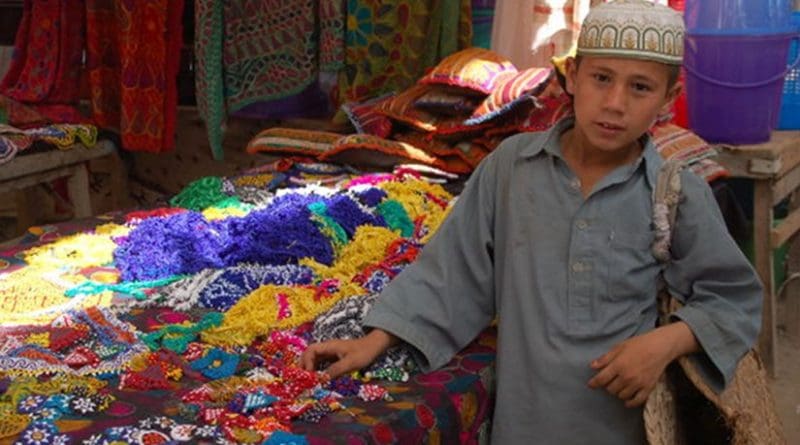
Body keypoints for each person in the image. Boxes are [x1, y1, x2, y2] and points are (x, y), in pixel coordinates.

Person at [301, 1, 763, 443]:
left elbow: (734, 300)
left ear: (669, 98)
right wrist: (376, 339)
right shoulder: (513, 167)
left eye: (640, 87)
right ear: (572, 76)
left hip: (623, 429)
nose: (615, 102)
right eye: (601, 78)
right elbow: (454, 271)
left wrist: (665, 342)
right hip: (524, 426)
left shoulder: (675, 192)